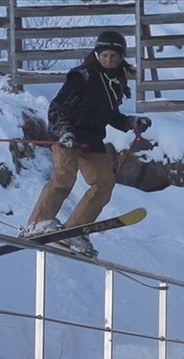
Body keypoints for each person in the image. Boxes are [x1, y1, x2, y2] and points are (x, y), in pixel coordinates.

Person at [21, 31, 152, 256]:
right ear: (97, 54)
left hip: (91, 139)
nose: (109, 60)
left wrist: (130, 122)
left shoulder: (117, 80)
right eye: (104, 55)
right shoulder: (83, 76)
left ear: (121, 57)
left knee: (104, 183)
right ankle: (38, 223)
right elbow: (57, 107)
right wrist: (64, 132)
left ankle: (74, 231)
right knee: (64, 178)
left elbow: (109, 114)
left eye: (113, 56)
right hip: (68, 135)